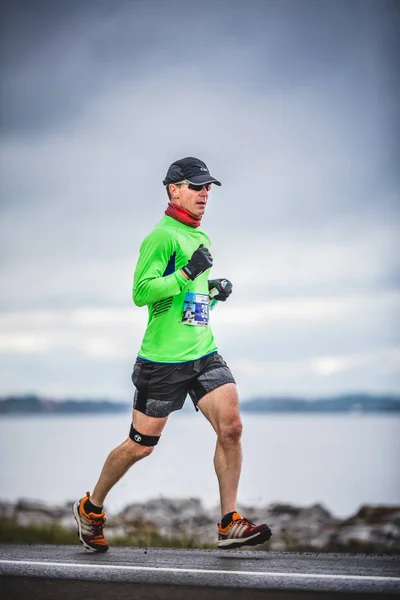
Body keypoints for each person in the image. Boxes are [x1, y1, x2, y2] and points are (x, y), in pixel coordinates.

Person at [73, 156, 272, 552]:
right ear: (173, 189)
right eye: (196, 186)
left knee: (231, 426)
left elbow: (184, 305)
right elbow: (142, 293)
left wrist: (210, 293)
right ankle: (90, 508)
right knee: (140, 446)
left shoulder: (201, 238)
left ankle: (229, 522)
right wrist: (185, 275)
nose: (204, 194)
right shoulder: (160, 237)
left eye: (208, 187)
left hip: (203, 351)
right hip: (161, 362)